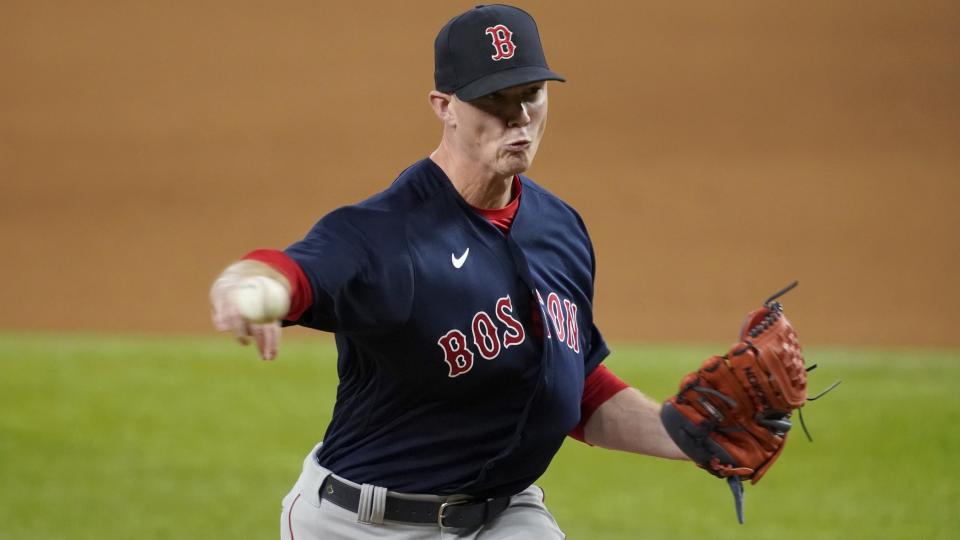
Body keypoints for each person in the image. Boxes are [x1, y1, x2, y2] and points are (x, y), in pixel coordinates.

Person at [210, 5, 686, 539]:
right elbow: (294, 271)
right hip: (362, 525)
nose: (518, 117)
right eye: (493, 99)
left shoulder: (559, 227)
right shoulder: (387, 234)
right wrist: (250, 287)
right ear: (445, 107)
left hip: (504, 516)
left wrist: (687, 435)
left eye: (530, 94)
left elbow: (570, 386)